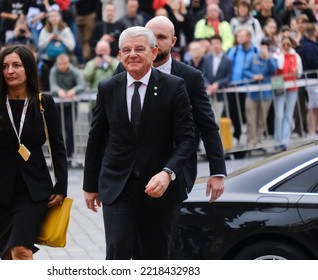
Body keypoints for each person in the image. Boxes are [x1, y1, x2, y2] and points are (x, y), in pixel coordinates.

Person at [83, 25, 196, 260]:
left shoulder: (174, 86)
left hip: (158, 188)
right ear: (119, 56)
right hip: (118, 186)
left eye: (139, 49)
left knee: (154, 257)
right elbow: (96, 137)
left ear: (154, 53)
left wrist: (168, 173)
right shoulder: (107, 88)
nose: (132, 54)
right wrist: (90, 185)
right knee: (117, 253)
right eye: (126, 50)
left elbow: (186, 139)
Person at [0, 44, 68, 260]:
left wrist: (62, 185)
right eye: (5, 66)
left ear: (28, 68)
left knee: (21, 251)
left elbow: (57, 145)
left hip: (34, 191)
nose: (10, 71)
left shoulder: (43, 102)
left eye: (17, 65)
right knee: (8, 257)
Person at [115, 16, 226, 200]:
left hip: (175, 170)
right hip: (131, 171)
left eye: (161, 37)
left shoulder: (190, 77)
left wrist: (217, 171)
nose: (155, 42)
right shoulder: (123, 70)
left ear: (173, 41)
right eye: (151, 36)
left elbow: (207, 124)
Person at [49, 53, 85, 158]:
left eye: (65, 63)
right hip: (57, 105)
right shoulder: (53, 71)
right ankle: (58, 154)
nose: (63, 66)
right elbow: (53, 86)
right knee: (57, 130)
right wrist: (59, 91)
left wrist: (73, 90)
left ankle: (69, 154)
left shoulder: (74, 71)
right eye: (60, 64)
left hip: (71, 106)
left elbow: (81, 85)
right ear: (57, 64)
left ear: (68, 63)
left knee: (70, 129)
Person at [243, 38, 277, 148]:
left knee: (262, 119)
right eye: (262, 44)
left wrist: (267, 58)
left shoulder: (272, 58)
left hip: (266, 94)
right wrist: (253, 76)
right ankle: (251, 141)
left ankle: (258, 140)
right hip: (253, 93)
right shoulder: (252, 57)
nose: (263, 47)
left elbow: (273, 69)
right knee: (251, 118)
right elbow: (245, 70)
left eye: (266, 45)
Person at [272, 36, 303, 151]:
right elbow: (279, 66)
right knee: (279, 115)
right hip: (279, 85)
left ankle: (285, 141)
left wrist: (296, 72)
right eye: (283, 44)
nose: (286, 47)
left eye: (288, 45)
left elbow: (299, 72)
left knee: (288, 114)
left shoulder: (296, 56)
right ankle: (277, 140)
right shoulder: (276, 54)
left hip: (291, 86)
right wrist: (281, 52)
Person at [202, 35, 233, 121]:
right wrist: (208, 85)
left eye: (217, 43)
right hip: (208, 94)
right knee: (208, 118)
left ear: (221, 44)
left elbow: (229, 77)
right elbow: (203, 74)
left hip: (220, 94)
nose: (215, 46)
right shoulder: (207, 58)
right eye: (213, 44)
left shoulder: (227, 60)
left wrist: (218, 84)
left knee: (217, 118)